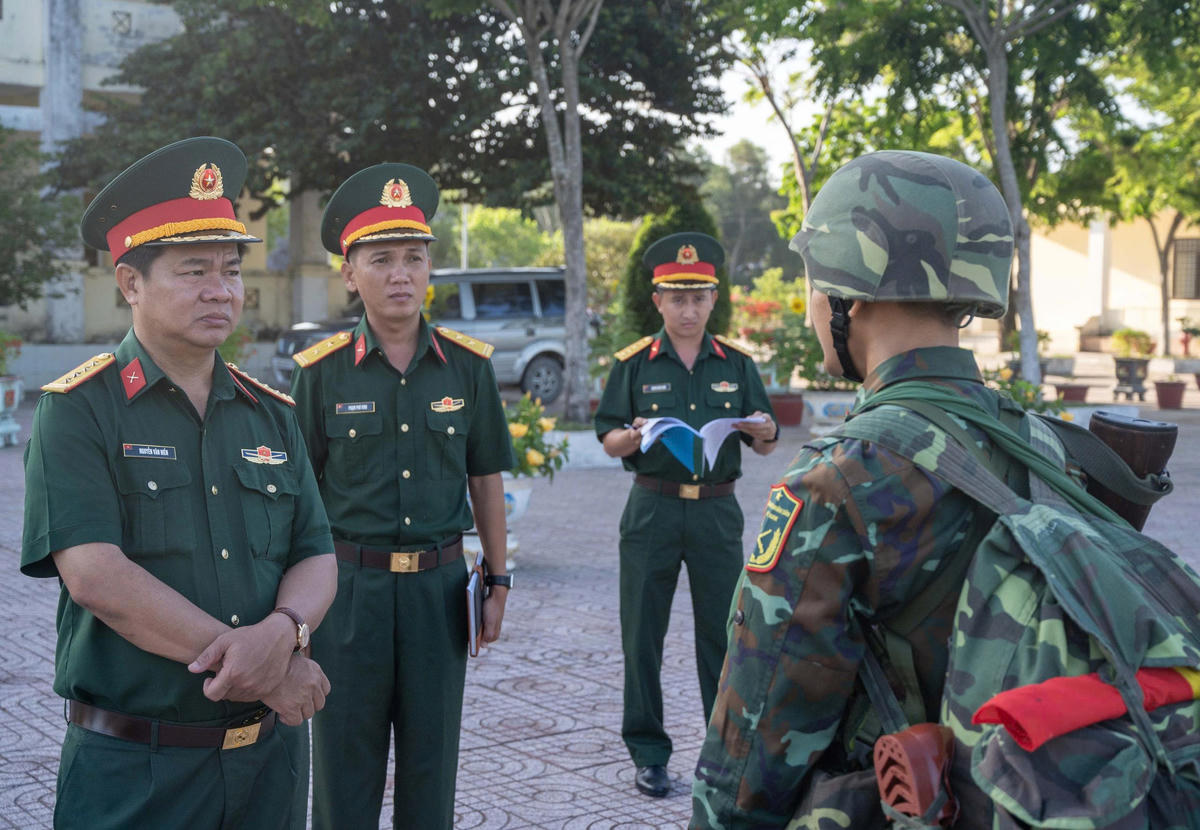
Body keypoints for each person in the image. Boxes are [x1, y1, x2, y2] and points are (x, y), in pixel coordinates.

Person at [690, 150, 1019, 827]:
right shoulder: (1046, 448)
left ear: (852, 293)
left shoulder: (840, 478)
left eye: (815, 283)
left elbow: (756, 739)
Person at [21, 137, 337, 830]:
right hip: (138, 773)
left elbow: (316, 553)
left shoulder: (272, 415)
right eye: (194, 270)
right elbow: (97, 578)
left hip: (269, 767)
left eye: (229, 270)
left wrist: (285, 629)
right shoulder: (79, 410)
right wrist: (267, 669)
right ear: (130, 283)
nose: (221, 289)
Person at [290, 163, 514, 830]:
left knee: (431, 766)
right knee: (342, 769)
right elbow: (298, 500)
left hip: (438, 595)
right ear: (349, 274)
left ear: (429, 270)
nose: (400, 274)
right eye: (380, 259)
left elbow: (486, 479)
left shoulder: (468, 368)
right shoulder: (321, 373)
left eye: (414, 258)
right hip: (346, 595)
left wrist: (498, 579)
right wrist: (291, 612)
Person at [593, 232, 778, 799]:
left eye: (698, 298)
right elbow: (607, 437)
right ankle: (649, 754)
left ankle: (722, 751)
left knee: (723, 636)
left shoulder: (738, 364)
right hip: (652, 509)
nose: (688, 309)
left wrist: (762, 430)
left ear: (713, 299)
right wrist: (636, 434)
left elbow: (767, 440)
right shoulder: (633, 365)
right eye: (677, 298)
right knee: (641, 636)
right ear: (658, 301)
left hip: (717, 516)